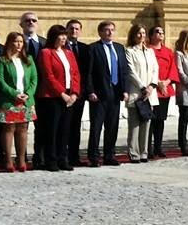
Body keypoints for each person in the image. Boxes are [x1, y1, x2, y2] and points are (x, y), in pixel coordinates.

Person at [36, 24, 80, 172]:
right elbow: (48, 76)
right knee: (52, 130)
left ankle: (63, 158)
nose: (63, 38)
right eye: (60, 35)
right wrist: (62, 94)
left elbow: (75, 74)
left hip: (69, 95)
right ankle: (51, 159)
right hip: (52, 97)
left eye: (64, 35)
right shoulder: (46, 52)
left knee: (65, 129)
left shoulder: (69, 53)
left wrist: (74, 93)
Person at [84, 21, 128, 166]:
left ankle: (110, 155)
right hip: (99, 94)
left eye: (112, 30)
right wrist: (90, 91)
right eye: (106, 30)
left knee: (112, 126)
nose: (109, 33)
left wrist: (125, 90)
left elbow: (124, 71)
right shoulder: (93, 48)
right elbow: (88, 72)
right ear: (100, 32)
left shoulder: (120, 48)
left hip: (115, 94)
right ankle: (94, 157)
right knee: (96, 127)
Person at [0, 32, 37, 173]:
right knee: (9, 129)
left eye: (21, 42)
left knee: (23, 129)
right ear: (9, 43)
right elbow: (0, 80)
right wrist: (15, 94)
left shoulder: (28, 60)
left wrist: (27, 94)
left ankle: (22, 159)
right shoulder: (3, 60)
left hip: (25, 100)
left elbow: (34, 80)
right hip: (9, 100)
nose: (19, 44)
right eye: (16, 41)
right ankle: (8, 160)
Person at [124, 25, 159, 163]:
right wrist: (142, 87)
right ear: (133, 35)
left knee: (146, 124)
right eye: (139, 33)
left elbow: (155, 69)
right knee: (134, 125)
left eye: (143, 33)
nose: (141, 35)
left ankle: (144, 152)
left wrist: (151, 86)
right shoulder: (129, 51)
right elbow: (131, 71)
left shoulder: (150, 51)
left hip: (149, 94)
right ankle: (134, 153)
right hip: (136, 92)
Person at [147, 25, 178, 159]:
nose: (160, 34)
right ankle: (148, 148)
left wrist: (166, 82)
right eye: (157, 32)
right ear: (151, 35)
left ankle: (158, 147)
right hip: (152, 89)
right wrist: (157, 82)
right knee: (150, 121)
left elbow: (173, 69)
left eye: (162, 32)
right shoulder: (148, 50)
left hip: (164, 90)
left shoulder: (168, 51)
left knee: (160, 120)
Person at [14, 13, 41, 169]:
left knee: (41, 128)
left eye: (33, 20)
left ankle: (39, 157)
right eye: (27, 20)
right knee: (17, 128)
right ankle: (18, 158)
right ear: (21, 24)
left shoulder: (44, 43)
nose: (31, 22)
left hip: (41, 93)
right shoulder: (14, 43)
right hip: (19, 95)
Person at [63, 19, 87, 168]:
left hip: (79, 93)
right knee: (64, 126)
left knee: (75, 126)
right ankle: (62, 155)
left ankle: (74, 156)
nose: (74, 31)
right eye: (71, 29)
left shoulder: (85, 48)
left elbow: (88, 72)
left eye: (77, 29)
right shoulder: (60, 48)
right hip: (64, 93)